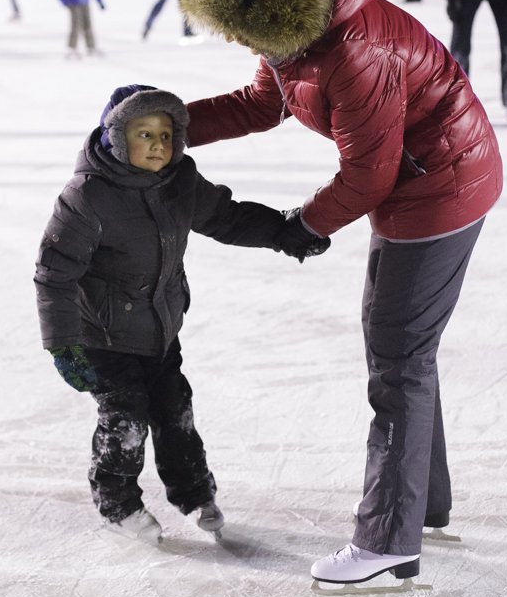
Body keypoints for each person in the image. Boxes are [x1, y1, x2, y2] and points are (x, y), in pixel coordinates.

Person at [178, 0, 502, 585]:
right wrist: (167, 122)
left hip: (440, 185)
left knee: (399, 357)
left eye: (245, 29)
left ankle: (389, 539)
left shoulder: (355, 50)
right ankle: (421, 506)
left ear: (272, 12)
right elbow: (264, 102)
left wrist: (303, 226)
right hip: (422, 181)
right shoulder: (296, 33)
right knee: (404, 350)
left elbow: (369, 174)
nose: (242, 43)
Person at [34, 84, 325, 544]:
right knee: (125, 419)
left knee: (176, 414)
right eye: (144, 134)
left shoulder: (180, 182)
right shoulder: (87, 197)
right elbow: (54, 275)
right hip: (104, 337)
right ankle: (117, 501)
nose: (158, 145)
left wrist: (284, 232)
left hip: (161, 329)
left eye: (166, 135)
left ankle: (193, 494)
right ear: (115, 137)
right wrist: (62, 344)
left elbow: (227, 218)